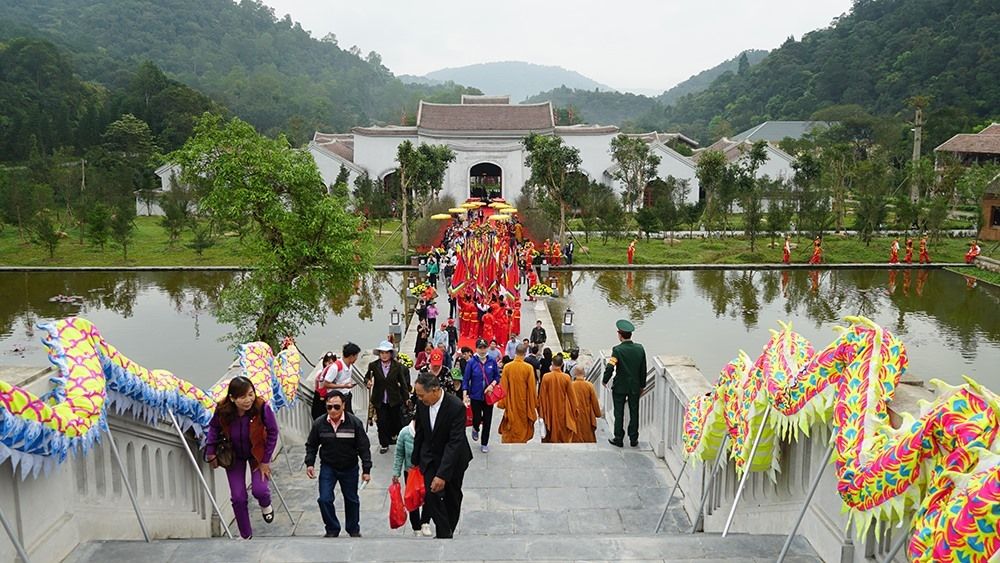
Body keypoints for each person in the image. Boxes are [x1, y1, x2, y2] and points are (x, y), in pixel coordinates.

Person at [205, 376, 278, 540]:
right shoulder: (223, 409)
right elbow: (213, 428)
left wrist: (265, 460)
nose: (248, 400)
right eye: (243, 397)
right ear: (232, 398)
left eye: (251, 394)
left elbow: (273, 432)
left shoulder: (261, 407)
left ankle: (265, 504)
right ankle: (246, 535)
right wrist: (210, 451)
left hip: (257, 454)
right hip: (234, 455)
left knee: (259, 490)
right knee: (238, 497)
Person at [411, 372, 473, 539]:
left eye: (422, 395)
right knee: (431, 495)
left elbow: (454, 443)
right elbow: (420, 432)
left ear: (435, 390)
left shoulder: (456, 406)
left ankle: (447, 532)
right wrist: (415, 461)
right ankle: (444, 534)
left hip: (454, 459)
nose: (420, 398)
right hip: (430, 457)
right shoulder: (421, 403)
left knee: (452, 497)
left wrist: (442, 475)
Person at [304, 391, 372, 538]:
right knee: (324, 499)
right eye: (329, 407)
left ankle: (353, 529)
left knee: (352, 499)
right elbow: (311, 445)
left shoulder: (354, 423)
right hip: (328, 467)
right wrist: (310, 463)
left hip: (349, 467)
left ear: (343, 406)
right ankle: (332, 528)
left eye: (336, 407)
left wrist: (366, 469)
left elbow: (363, 447)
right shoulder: (319, 424)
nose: (333, 411)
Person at [602, 319, 647, 448]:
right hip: (634, 387)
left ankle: (618, 438)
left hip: (620, 387)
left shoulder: (617, 350)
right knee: (634, 412)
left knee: (619, 412)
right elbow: (643, 369)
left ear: (619, 334)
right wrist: (642, 385)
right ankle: (633, 439)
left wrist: (605, 380)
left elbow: (610, 367)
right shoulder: (640, 349)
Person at [365, 341, 412, 454]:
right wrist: (368, 382)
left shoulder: (397, 366)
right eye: (382, 352)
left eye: (386, 353)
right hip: (379, 399)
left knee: (396, 422)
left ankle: (399, 441)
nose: (384, 355)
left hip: (394, 398)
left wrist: (406, 398)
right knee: (381, 423)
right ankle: (384, 444)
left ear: (391, 354)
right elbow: (367, 378)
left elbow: (403, 383)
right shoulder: (373, 366)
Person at [393, 418, 431, 536]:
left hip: (426, 470)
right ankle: (416, 527)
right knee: (412, 498)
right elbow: (399, 454)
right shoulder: (405, 433)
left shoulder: (429, 431)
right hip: (410, 472)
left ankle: (425, 522)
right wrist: (396, 472)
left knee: (429, 496)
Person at [463, 338, 501, 453]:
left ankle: (484, 443)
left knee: (488, 420)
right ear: (476, 349)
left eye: (484, 347)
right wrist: (465, 395)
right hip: (476, 395)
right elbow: (466, 379)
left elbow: (497, 377)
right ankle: (475, 427)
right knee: (477, 417)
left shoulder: (492, 361)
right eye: (480, 348)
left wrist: (492, 385)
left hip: (488, 396)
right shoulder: (471, 362)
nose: (483, 350)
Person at [497, 343, 539, 443]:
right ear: (525, 353)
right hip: (523, 403)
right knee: (522, 424)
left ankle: (509, 441)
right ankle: (521, 441)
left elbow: (503, 388)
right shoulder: (528, 368)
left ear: (515, 352)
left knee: (510, 423)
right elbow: (532, 389)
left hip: (511, 403)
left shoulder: (507, 367)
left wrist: (503, 403)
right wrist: (533, 404)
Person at [538, 355, 576, 443]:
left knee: (550, 428)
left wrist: (541, 412)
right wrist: (574, 410)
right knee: (562, 428)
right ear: (562, 364)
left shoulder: (546, 377)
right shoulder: (566, 377)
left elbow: (542, 395)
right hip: (562, 408)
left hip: (549, 408)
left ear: (552, 363)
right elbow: (572, 396)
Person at [322, 343, 361, 414]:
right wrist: (344, 386)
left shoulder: (350, 365)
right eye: (356, 356)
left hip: (346, 396)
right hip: (336, 399)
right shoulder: (336, 367)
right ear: (351, 356)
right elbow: (326, 384)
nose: (356, 358)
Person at [569, 365, 602, 443]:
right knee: (587, 433)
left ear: (574, 373)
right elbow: (595, 401)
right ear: (584, 373)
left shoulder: (571, 385)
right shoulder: (589, 385)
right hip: (586, 414)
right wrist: (598, 413)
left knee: (575, 434)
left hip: (574, 414)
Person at [312, 352, 338, 420]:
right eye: (327, 361)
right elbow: (316, 384)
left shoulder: (336, 374)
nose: (329, 363)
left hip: (329, 397)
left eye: (332, 361)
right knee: (317, 414)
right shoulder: (320, 372)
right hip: (319, 397)